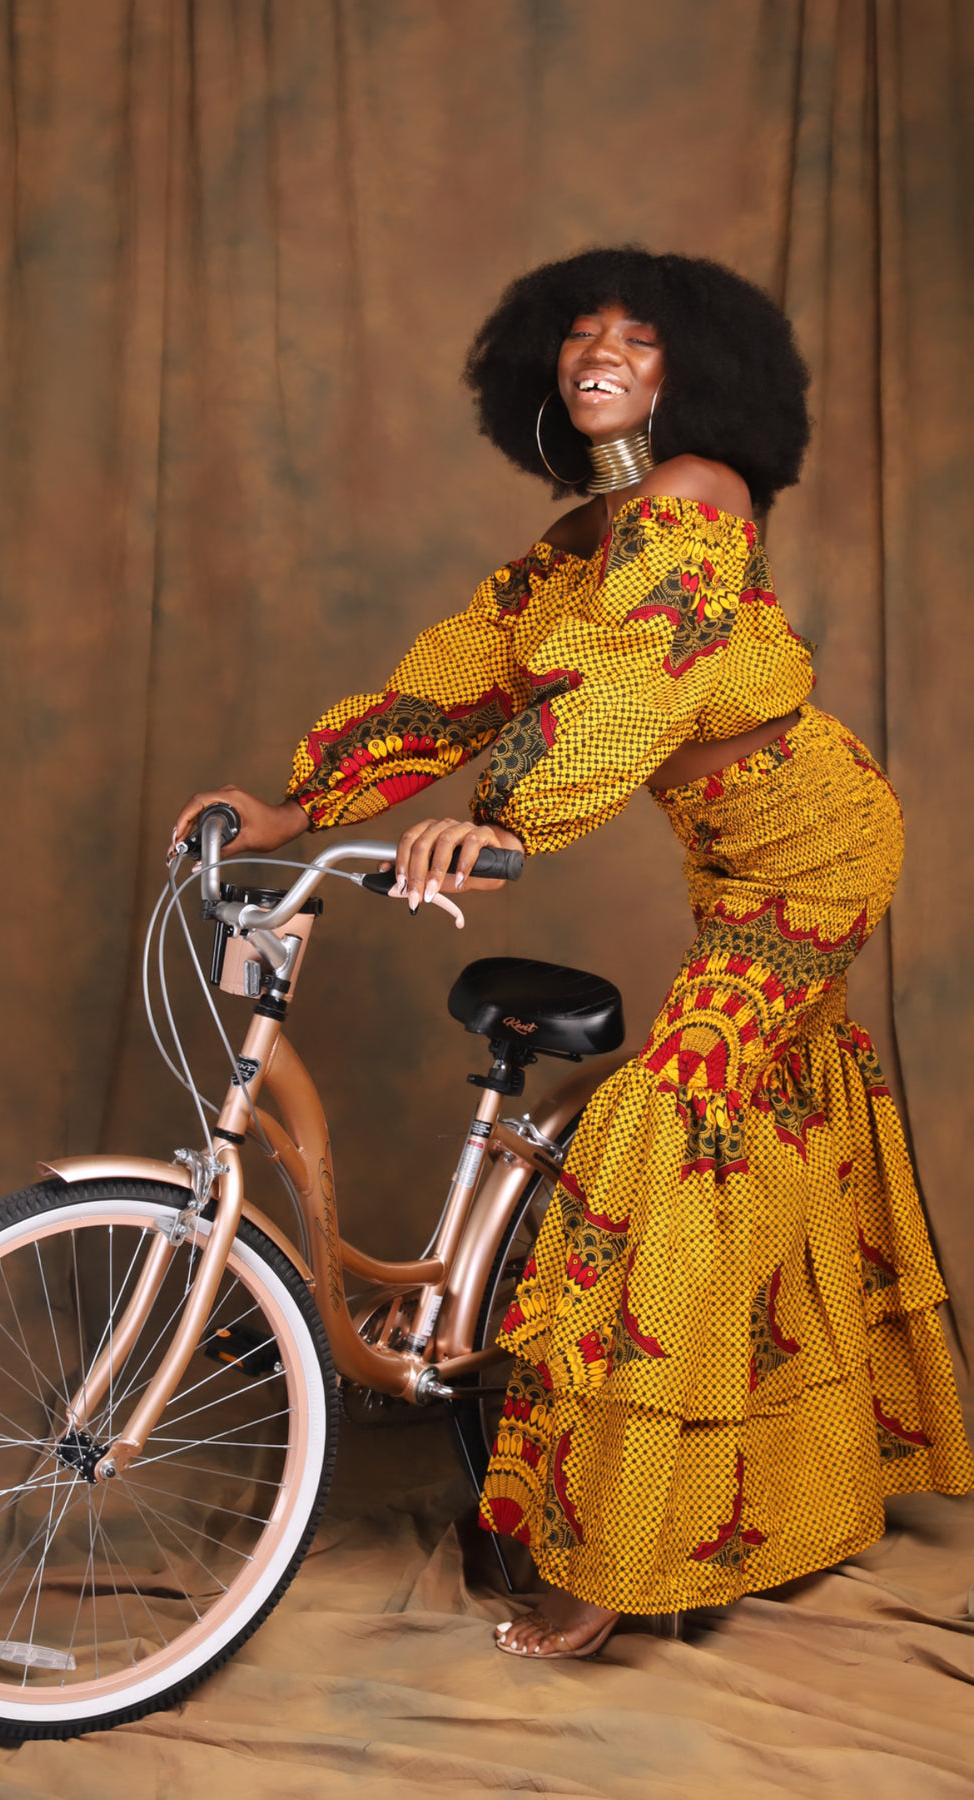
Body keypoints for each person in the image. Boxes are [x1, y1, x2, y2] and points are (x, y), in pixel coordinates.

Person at [173, 247, 974, 1660]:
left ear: (697, 371)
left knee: (666, 1130)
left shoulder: (697, 499)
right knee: (760, 1130)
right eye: (580, 333)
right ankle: (794, 1469)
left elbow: (630, 686)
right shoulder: (584, 535)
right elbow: (460, 681)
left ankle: (623, 1546)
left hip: (817, 852)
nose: (598, 352)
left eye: (638, 338)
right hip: (728, 862)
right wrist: (292, 805)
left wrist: (502, 823)